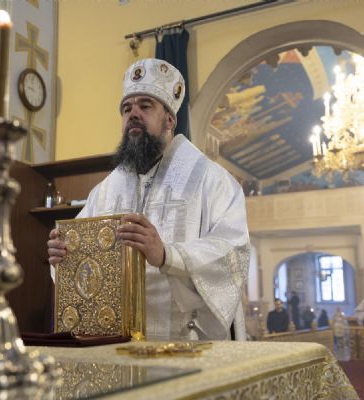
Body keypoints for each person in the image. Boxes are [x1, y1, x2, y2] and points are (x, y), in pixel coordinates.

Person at [47, 58, 250, 341]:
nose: (133, 114)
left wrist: (166, 255)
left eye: (145, 106)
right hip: (115, 342)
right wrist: (63, 257)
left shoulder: (211, 180)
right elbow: (83, 268)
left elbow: (233, 253)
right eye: (126, 108)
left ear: (170, 120)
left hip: (186, 344)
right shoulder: (105, 191)